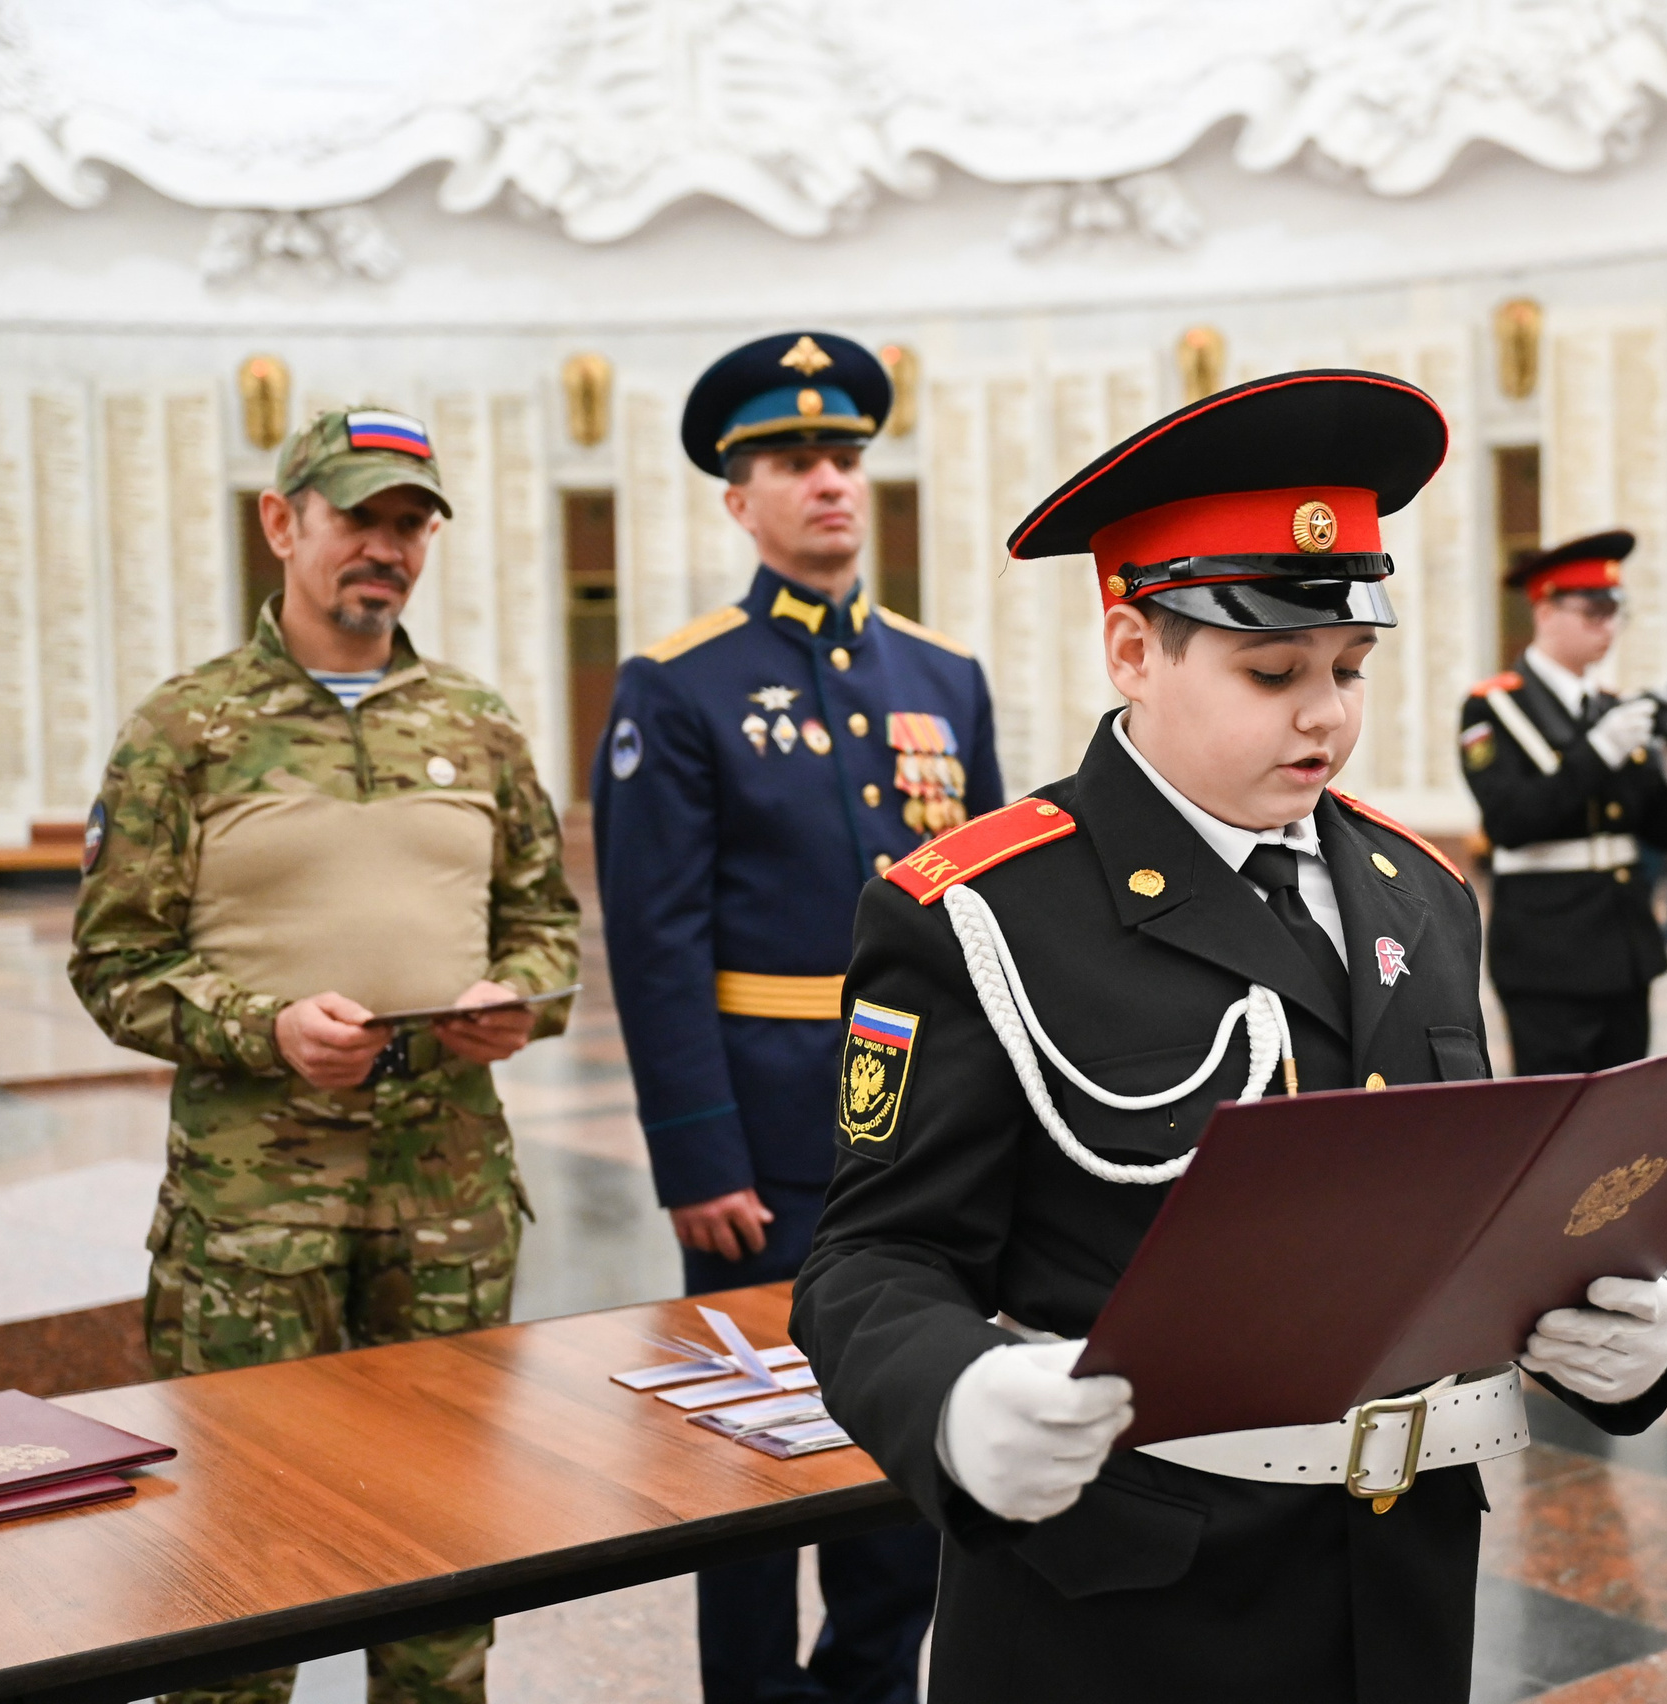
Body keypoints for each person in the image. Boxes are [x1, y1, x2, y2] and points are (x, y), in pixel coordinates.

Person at [789, 371, 1667, 1703]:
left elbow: (1472, 1208)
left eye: (1348, 668)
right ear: (1133, 652)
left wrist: (1617, 1331)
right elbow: (875, 1257)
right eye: (1271, 670)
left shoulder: (1422, 892)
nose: (1323, 712)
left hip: (1400, 1576)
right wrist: (958, 1398)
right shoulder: (985, 910)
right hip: (1128, 1600)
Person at [70, 408, 579, 1704]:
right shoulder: (185, 729)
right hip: (253, 1234)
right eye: (360, 517)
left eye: (410, 525)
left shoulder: (478, 721)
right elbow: (113, 964)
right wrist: (266, 1031)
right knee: (240, 1575)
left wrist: (517, 998)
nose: (387, 549)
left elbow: (543, 923)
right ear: (282, 523)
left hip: (450, 1216)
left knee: (448, 1564)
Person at [589, 331, 987, 1704]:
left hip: (923, 1131)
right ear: (736, 499)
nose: (826, 481)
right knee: (749, 1448)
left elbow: (979, 923)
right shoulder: (679, 684)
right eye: (791, 462)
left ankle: (868, 1685)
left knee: (912, 1430)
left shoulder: (946, 678)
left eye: (843, 457)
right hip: (765, 1141)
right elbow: (655, 939)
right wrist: (697, 1157)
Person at [1461, 530, 1667, 1073]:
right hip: (1548, 951)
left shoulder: (1611, 708)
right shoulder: (1494, 708)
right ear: (1545, 610)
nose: (1609, 627)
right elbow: (1511, 821)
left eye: (1617, 612)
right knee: (1556, 1122)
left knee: (1620, 1123)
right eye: (1594, 611)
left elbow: (1660, 834)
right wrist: (1597, 752)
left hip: (1624, 946)